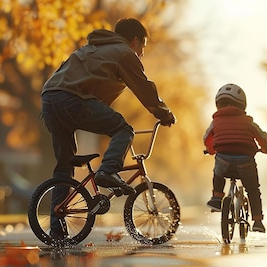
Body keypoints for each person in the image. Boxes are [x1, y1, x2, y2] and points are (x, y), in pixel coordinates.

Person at [41, 18, 176, 201]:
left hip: (49, 99)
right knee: (123, 129)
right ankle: (108, 171)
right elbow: (144, 88)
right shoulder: (125, 53)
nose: (142, 54)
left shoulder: (93, 49)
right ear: (135, 41)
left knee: (64, 166)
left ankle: (57, 226)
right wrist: (163, 113)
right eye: (142, 47)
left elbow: (96, 97)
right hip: (71, 99)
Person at [203, 83, 267, 233]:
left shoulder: (216, 122)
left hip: (223, 158)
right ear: (242, 105)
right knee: (253, 189)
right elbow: (262, 136)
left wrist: (210, 150)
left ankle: (216, 198)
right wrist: (266, 149)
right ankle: (258, 221)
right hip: (245, 159)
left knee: (218, 173)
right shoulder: (248, 122)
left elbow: (207, 137)